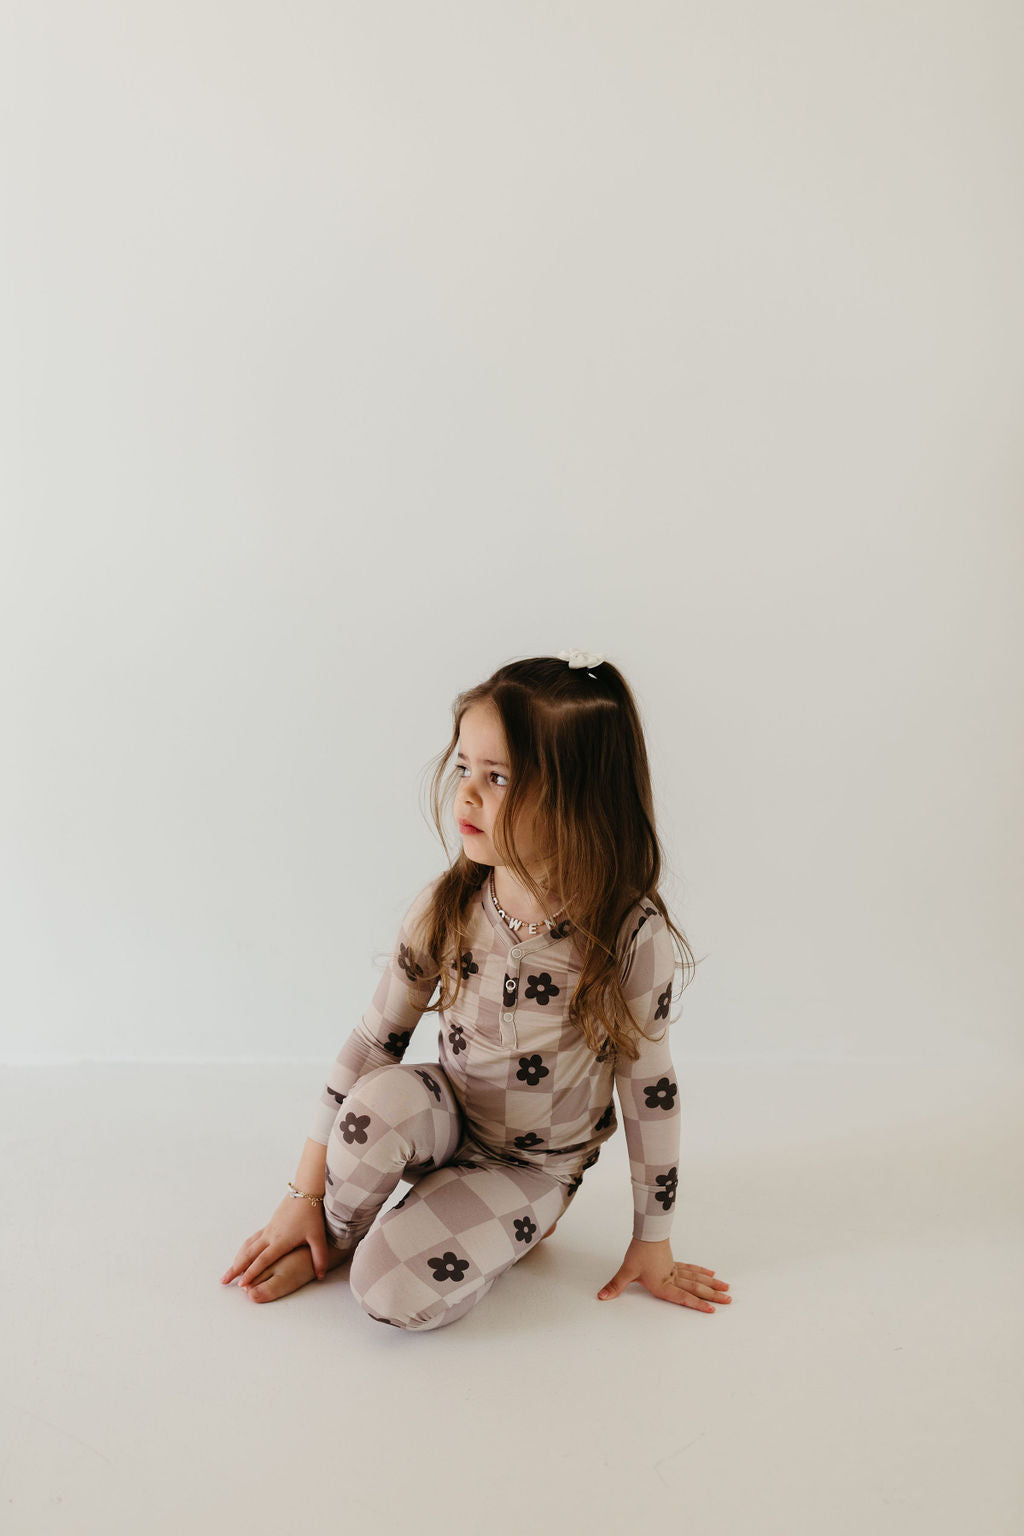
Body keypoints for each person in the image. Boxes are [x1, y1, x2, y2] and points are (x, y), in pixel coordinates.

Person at [221, 650, 733, 1331]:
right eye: (464, 767)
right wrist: (305, 1197)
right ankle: (332, 1240)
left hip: (532, 1166)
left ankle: (490, 1219)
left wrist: (653, 1242)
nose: (465, 794)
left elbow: (650, 1092)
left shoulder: (627, 937)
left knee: (390, 1294)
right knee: (374, 1106)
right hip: (450, 1114)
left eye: (498, 778)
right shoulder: (450, 906)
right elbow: (375, 1041)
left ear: (578, 797)